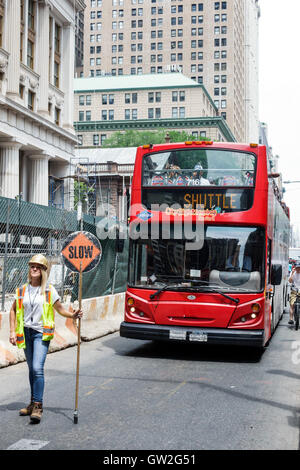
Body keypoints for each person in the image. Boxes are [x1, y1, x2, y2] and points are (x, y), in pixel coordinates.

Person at [9, 254, 83, 424]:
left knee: (37, 368)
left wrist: (73, 314)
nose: (34, 269)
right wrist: (12, 331)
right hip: (26, 333)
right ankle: (32, 402)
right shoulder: (22, 290)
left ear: (43, 270)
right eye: (32, 266)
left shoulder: (49, 290)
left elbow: (60, 309)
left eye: (38, 266)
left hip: (41, 334)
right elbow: (13, 310)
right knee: (31, 369)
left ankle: (38, 406)